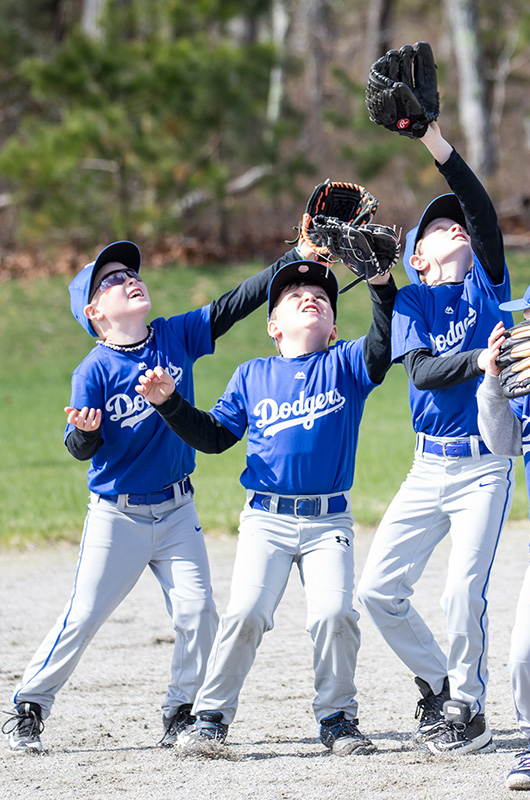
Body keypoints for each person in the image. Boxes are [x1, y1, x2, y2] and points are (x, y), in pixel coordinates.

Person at [2, 237, 312, 753]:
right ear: (94, 312)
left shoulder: (175, 335)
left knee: (198, 613)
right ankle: (29, 705)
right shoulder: (93, 370)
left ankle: (180, 710)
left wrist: (292, 259)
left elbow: (235, 303)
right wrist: (85, 431)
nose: (129, 279)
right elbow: (80, 447)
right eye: (113, 280)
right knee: (83, 616)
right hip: (116, 517)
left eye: (131, 272)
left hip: (177, 511)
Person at [135, 257, 397, 755]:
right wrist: (170, 403)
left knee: (335, 612)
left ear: (334, 327)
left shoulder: (345, 364)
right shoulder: (253, 374)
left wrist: (383, 286)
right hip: (266, 519)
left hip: (328, 521)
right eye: (294, 295)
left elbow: (383, 348)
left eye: (321, 295)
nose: (310, 296)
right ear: (274, 326)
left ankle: (338, 718)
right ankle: (211, 716)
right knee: (247, 612)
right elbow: (214, 437)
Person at [356, 119, 516, 755]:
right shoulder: (414, 304)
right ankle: (441, 681)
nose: (456, 227)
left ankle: (469, 710)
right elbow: (419, 370)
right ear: (416, 258)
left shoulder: (487, 285)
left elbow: (478, 207)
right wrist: (479, 360)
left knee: (459, 589)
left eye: (460, 227)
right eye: (437, 227)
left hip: (483, 467)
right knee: (377, 590)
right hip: (427, 470)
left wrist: (431, 138)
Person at [477, 292, 530, 790]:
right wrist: (492, 382)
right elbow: (502, 442)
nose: (525, 328)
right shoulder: (526, 388)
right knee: (524, 654)